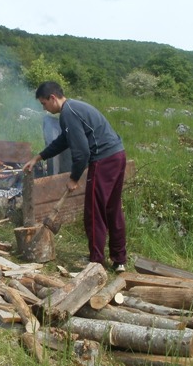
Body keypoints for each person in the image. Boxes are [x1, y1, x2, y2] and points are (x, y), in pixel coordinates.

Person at [22, 81, 127, 272]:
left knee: (94, 213)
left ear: (52, 98)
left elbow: (82, 153)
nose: (45, 108)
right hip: (117, 155)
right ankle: (119, 260)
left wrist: (74, 178)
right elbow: (64, 140)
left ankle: (96, 262)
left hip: (103, 160)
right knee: (113, 209)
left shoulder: (69, 112)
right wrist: (38, 157)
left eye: (44, 103)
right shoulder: (74, 108)